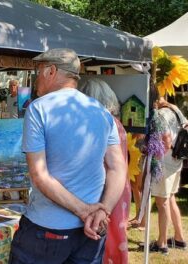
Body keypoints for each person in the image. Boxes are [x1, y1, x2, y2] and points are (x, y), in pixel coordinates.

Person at [9, 48, 126, 264]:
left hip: (48, 229)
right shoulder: (101, 111)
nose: (36, 79)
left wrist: (86, 211)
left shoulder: (38, 109)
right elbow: (118, 167)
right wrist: (102, 211)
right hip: (91, 229)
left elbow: (39, 175)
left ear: (51, 71)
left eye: (39, 70)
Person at [80, 78, 130, 264]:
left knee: (102, 232)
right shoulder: (115, 122)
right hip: (118, 185)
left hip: (105, 188)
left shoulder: (101, 124)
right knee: (115, 231)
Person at [149, 96, 187, 254]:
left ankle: (162, 243)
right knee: (170, 198)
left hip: (165, 161)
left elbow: (165, 140)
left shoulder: (160, 114)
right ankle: (179, 238)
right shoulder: (175, 109)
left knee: (161, 203)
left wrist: (152, 156)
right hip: (177, 160)